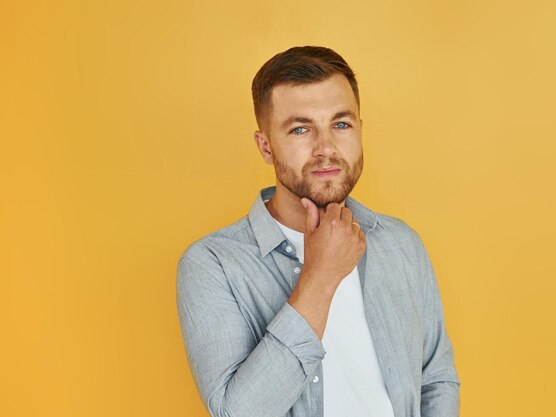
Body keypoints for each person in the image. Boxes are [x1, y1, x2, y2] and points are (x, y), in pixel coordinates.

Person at [176, 46, 460, 417]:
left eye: (341, 124)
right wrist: (320, 278)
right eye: (300, 129)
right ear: (265, 146)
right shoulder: (212, 265)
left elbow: (436, 378)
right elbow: (238, 412)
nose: (326, 148)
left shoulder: (401, 243)